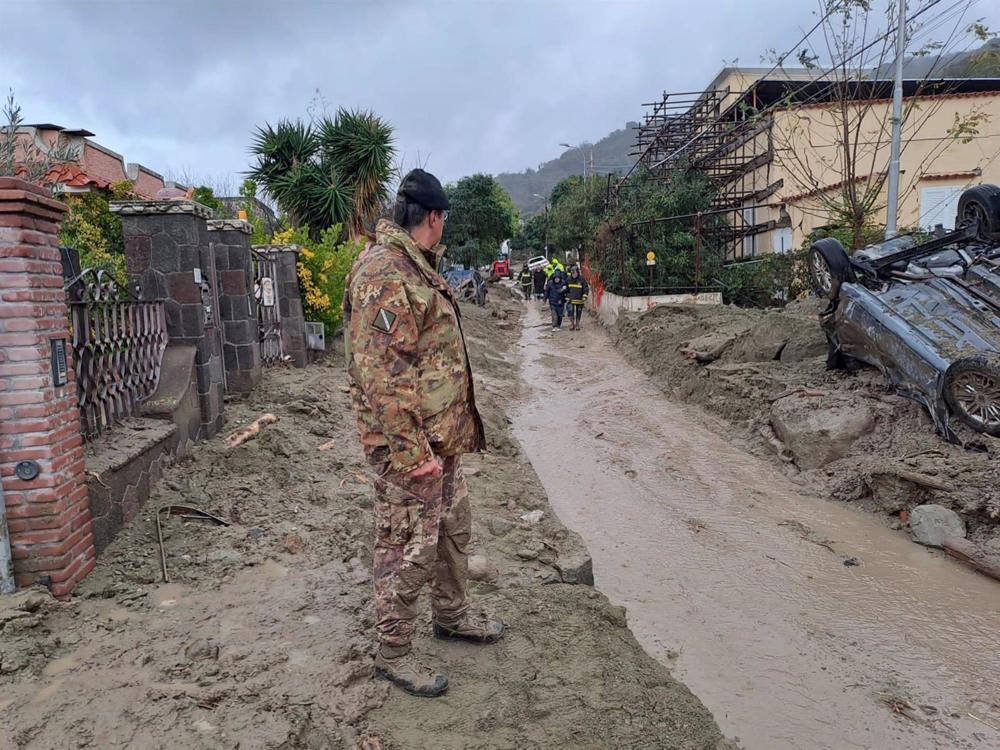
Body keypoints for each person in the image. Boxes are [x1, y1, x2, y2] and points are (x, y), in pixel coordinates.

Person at [343, 168, 504, 699]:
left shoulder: (415, 267)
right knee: (406, 544)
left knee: (454, 528)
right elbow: (383, 375)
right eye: (444, 221)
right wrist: (413, 455)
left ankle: (451, 616)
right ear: (434, 218)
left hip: (439, 442)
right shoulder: (385, 273)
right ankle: (393, 650)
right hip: (407, 451)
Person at [566, 266, 590, 330]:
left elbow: (585, 288)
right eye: (573, 273)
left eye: (575, 273)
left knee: (578, 312)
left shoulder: (582, 279)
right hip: (571, 299)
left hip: (579, 300)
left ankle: (577, 324)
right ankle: (572, 324)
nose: (574, 274)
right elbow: (566, 289)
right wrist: (567, 297)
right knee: (570, 312)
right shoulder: (568, 279)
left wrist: (584, 296)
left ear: (578, 273)